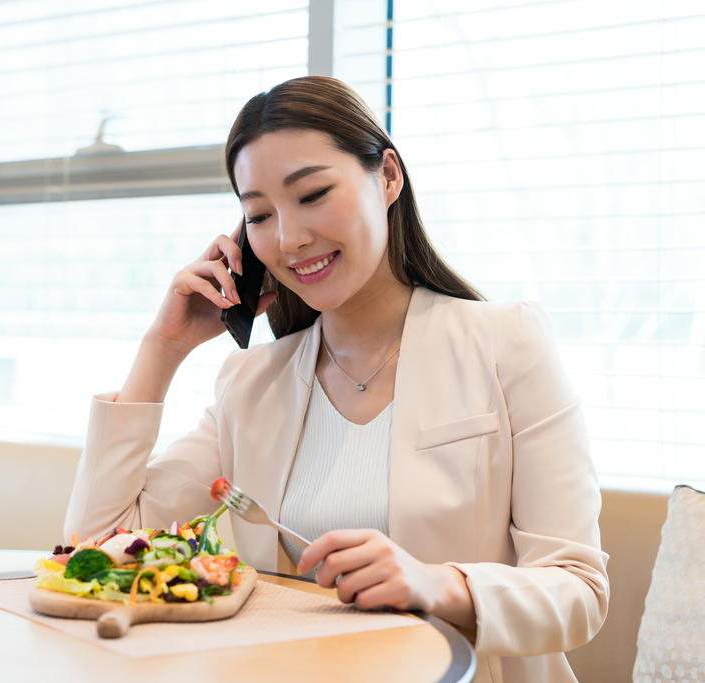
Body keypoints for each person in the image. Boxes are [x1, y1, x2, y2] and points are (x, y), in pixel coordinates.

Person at [64, 76, 607, 683]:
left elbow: (579, 591)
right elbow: (91, 553)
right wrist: (161, 351)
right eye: (260, 214)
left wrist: (441, 583)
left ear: (389, 177)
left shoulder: (507, 342)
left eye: (314, 193)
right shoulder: (250, 383)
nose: (290, 238)